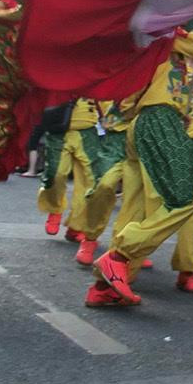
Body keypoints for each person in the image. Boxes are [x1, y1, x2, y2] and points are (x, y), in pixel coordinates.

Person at [87, 15, 193, 305]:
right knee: (187, 201)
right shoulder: (167, 33)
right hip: (159, 119)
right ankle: (118, 256)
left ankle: (105, 288)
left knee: (136, 208)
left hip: (144, 123)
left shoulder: (155, 37)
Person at [70, 98, 133, 267]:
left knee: (139, 198)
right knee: (103, 186)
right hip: (115, 142)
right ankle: (89, 239)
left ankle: (132, 248)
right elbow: (105, 111)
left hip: (146, 140)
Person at [37, 99, 99, 241]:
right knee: (55, 174)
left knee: (90, 181)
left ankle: (77, 226)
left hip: (87, 132)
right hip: (59, 131)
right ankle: (54, 209)